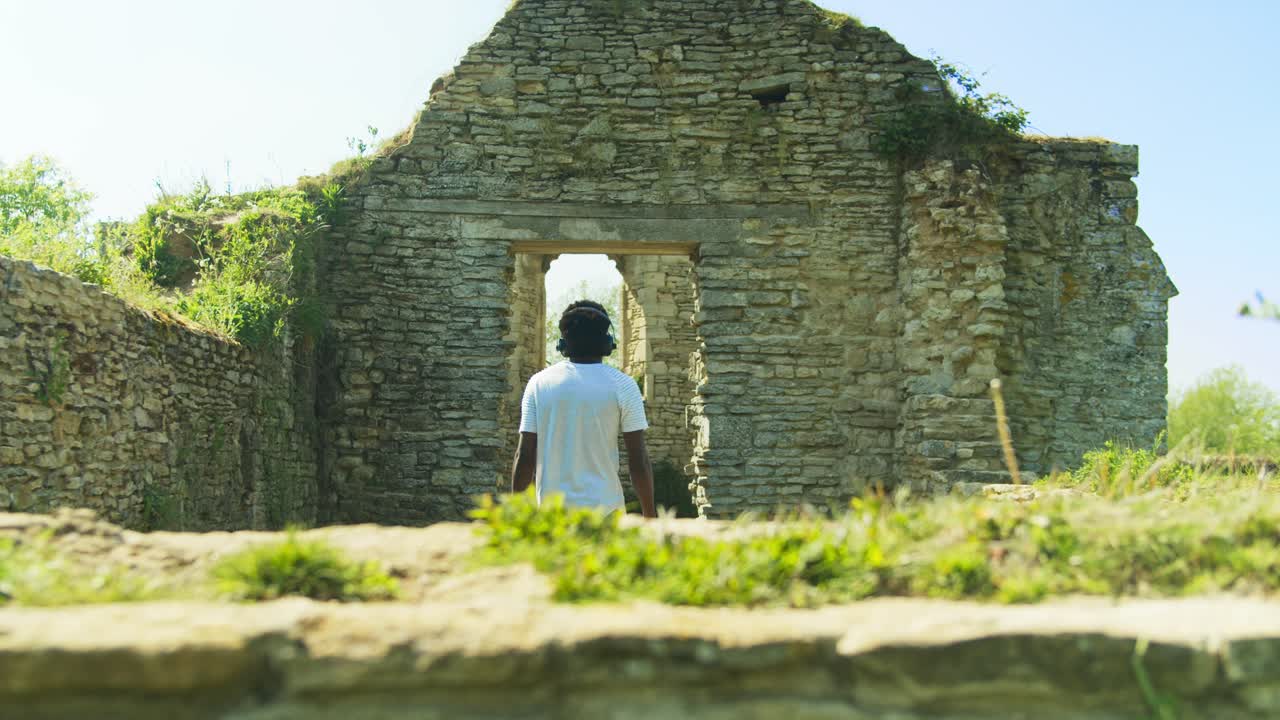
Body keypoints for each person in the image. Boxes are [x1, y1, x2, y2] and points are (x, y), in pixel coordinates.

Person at [511, 300, 656, 518]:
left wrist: (515, 517)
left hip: (553, 516)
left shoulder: (538, 383)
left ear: (563, 343)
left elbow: (524, 456)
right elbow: (638, 461)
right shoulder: (623, 385)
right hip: (607, 516)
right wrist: (650, 516)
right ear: (608, 342)